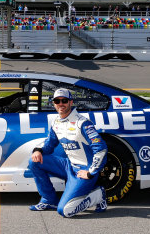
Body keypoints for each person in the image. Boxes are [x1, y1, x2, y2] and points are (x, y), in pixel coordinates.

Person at [28, 88, 107, 217]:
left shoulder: (83, 123)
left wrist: (91, 172)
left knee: (65, 211)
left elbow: (101, 148)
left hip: (83, 172)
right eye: (57, 101)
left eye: (64, 100)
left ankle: (98, 195)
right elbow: (49, 145)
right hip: (68, 166)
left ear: (70, 102)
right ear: (53, 103)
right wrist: (38, 150)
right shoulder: (56, 122)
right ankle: (49, 200)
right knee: (34, 161)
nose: (61, 104)